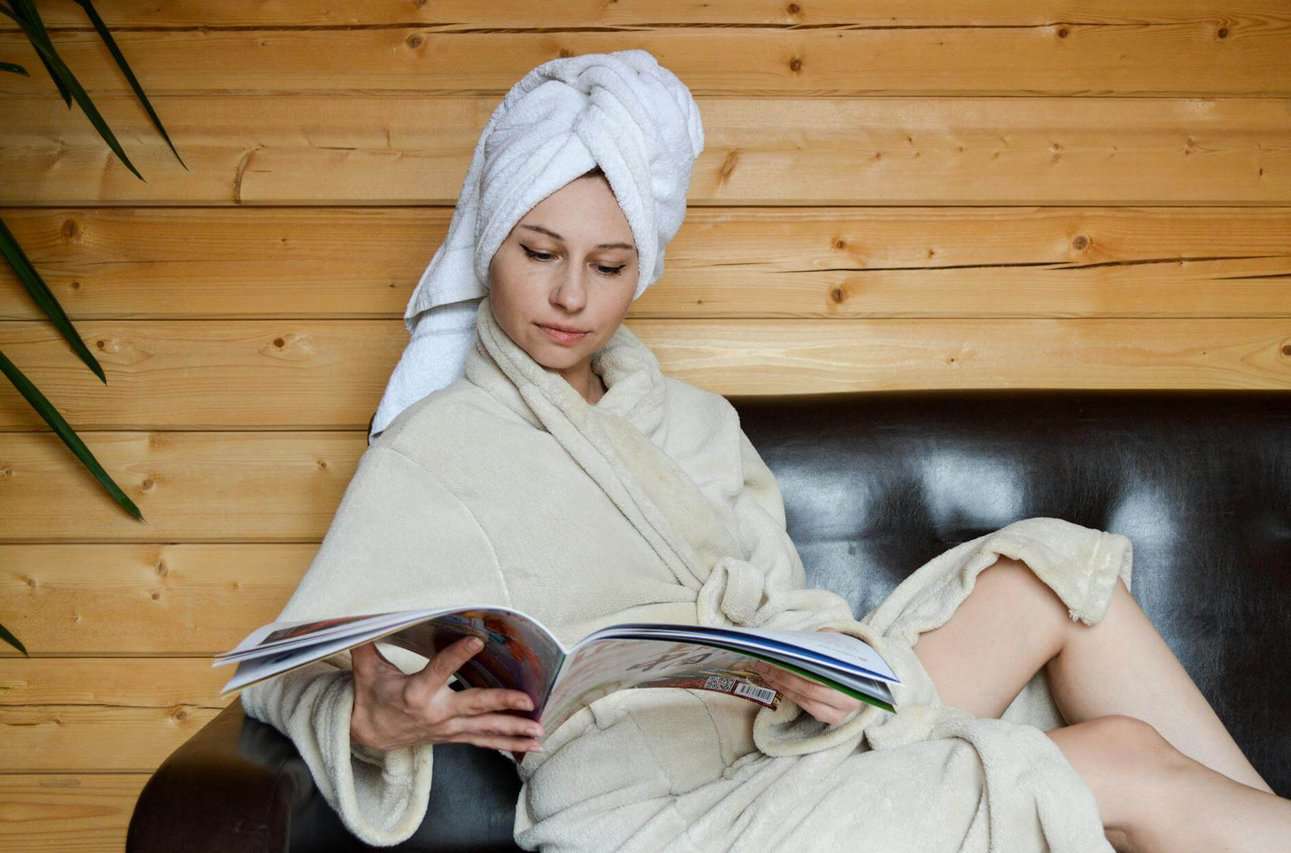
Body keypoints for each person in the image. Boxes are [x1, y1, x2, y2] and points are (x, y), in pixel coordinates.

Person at [241, 51, 1291, 852]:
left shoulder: (693, 422)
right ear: (490, 241)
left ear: (642, 267)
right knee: (1119, 760)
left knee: (1049, 576)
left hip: (781, 747)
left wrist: (815, 668)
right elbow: (282, 662)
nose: (570, 297)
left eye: (608, 265)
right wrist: (376, 718)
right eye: (538, 252)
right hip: (650, 820)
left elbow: (785, 615)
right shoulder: (438, 445)